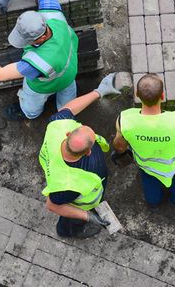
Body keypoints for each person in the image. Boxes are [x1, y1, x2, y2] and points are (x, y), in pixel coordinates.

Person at [112, 68, 175, 208]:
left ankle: (153, 205)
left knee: (151, 192)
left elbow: (120, 146)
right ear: (162, 96)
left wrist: (120, 150)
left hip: (149, 168)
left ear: (137, 95)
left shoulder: (125, 119)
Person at [39, 73, 121, 239]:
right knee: (71, 220)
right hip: (80, 201)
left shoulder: (57, 125)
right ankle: (68, 231)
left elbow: (69, 109)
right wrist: (88, 216)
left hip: (60, 175)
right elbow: (53, 205)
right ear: (88, 152)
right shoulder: (67, 186)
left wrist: (98, 92)